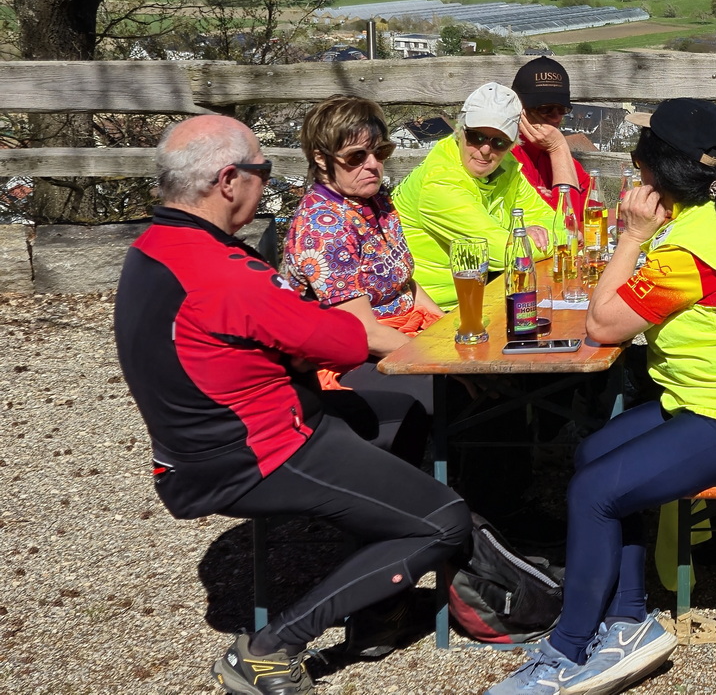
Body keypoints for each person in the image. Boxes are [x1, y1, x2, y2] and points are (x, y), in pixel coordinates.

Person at [487, 98, 716, 695]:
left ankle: (566, 650)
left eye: (641, 155)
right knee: (595, 456)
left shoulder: (689, 249)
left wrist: (631, 238)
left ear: (658, 170)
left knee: (595, 492)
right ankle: (628, 620)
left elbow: (602, 325)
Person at [115, 115, 471, 695]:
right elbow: (345, 338)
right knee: (444, 521)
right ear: (230, 180)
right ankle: (268, 649)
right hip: (255, 449)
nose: (267, 184)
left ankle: (377, 601)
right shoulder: (227, 273)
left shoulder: (152, 249)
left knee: (401, 417)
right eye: (263, 172)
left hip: (206, 441)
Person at [282, 95, 442, 417]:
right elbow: (363, 332)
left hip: (399, 333)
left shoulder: (374, 199)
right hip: (348, 358)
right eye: (356, 156)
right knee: (449, 391)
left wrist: (447, 330)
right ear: (322, 159)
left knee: (485, 369)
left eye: (380, 151)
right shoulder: (323, 225)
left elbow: (404, 283)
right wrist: (440, 358)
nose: (372, 164)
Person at [393, 82, 551, 310]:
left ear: (512, 145)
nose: (486, 150)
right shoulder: (441, 183)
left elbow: (563, 226)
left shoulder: (507, 167)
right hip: (433, 310)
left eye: (499, 142)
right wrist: (524, 235)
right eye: (476, 137)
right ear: (459, 131)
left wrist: (531, 234)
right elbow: (502, 252)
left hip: (480, 296)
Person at [510, 55, 591, 226]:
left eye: (562, 109)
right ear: (520, 109)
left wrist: (552, 199)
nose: (556, 118)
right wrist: (558, 148)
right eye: (545, 109)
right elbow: (567, 224)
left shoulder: (550, 148)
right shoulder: (508, 155)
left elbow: (592, 205)